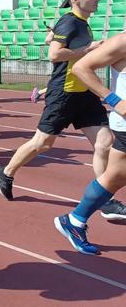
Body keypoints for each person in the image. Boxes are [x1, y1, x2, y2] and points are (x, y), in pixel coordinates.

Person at [0, 0, 126, 219]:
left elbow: (54, 42)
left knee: (104, 142)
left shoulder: (82, 24)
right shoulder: (70, 21)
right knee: (42, 143)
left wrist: (83, 46)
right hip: (64, 92)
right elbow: (54, 54)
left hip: (84, 93)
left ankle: (106, 200)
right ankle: (7, 171)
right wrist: (88, 49)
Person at [54, 31, 126, 255]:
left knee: (116, 176)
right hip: (125, 122)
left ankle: (74, 220)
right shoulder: (122, 41)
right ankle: (75, 219)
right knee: (115, 176)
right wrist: (114, 100)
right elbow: (80, 68)